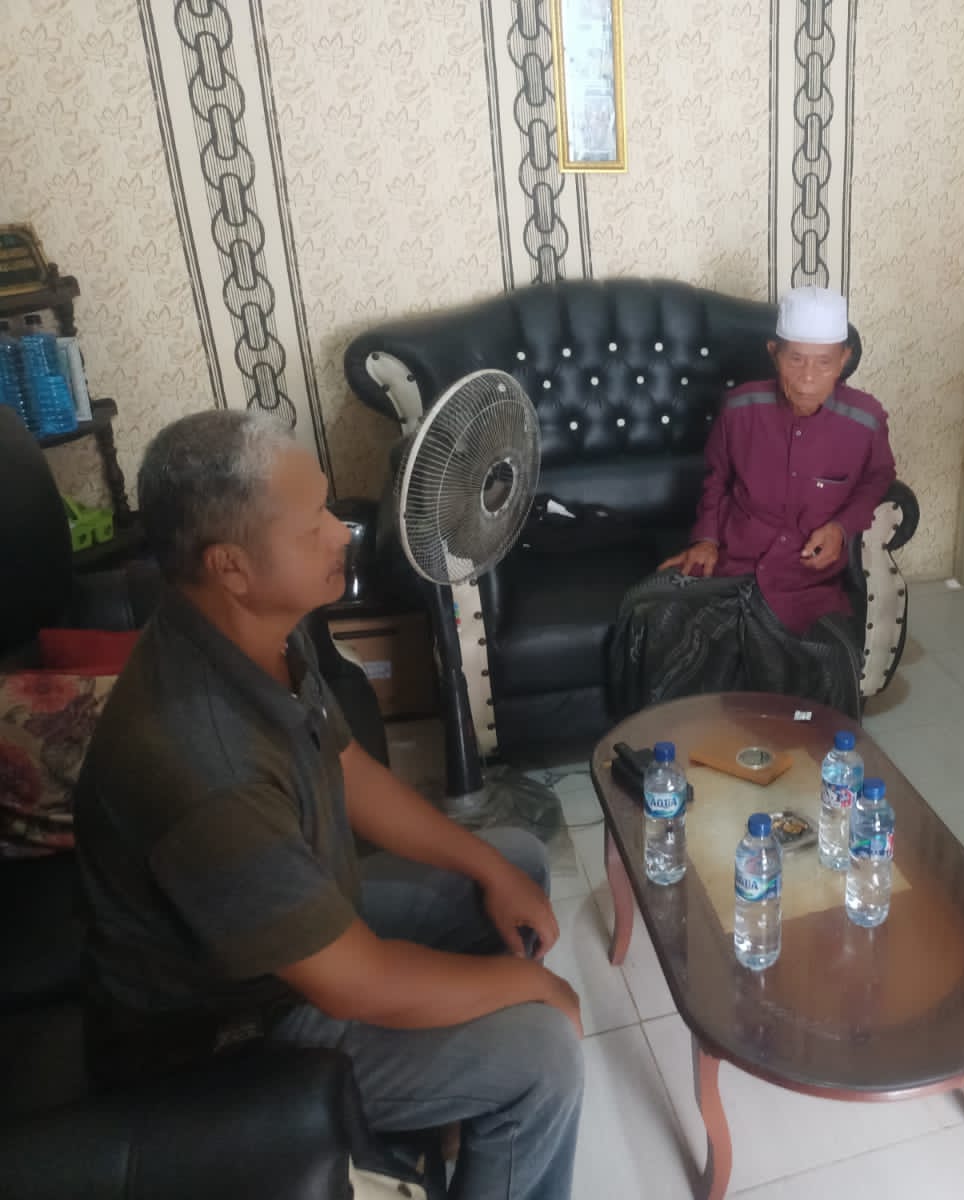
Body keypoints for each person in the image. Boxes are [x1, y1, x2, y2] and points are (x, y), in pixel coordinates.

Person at [73, 412, 584, 1200]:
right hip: (235, 1035)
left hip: (301, 932)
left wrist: (489, 867)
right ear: (231, 566)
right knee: (543, 1051)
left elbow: (347, 769)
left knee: (512, 858)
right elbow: (357, 984)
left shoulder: (258, 631)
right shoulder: (202, 765)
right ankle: (492, 1089)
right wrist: (538, 990)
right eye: (313, 521)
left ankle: (462, 1109)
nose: (341, 534)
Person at [609, 286, 896, 717]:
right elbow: (716, 478)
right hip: (732, 564)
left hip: (806, 581)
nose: (807, 377)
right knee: (649, 614)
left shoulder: (867, 419)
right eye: (795, 359)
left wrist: (841, 528)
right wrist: (706, 539)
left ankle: (797, 748)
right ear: (773, 353)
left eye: (823, 362)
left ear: (844, 359)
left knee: (830, 659)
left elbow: (877, 479)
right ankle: (675, 740)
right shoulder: (740, 406)